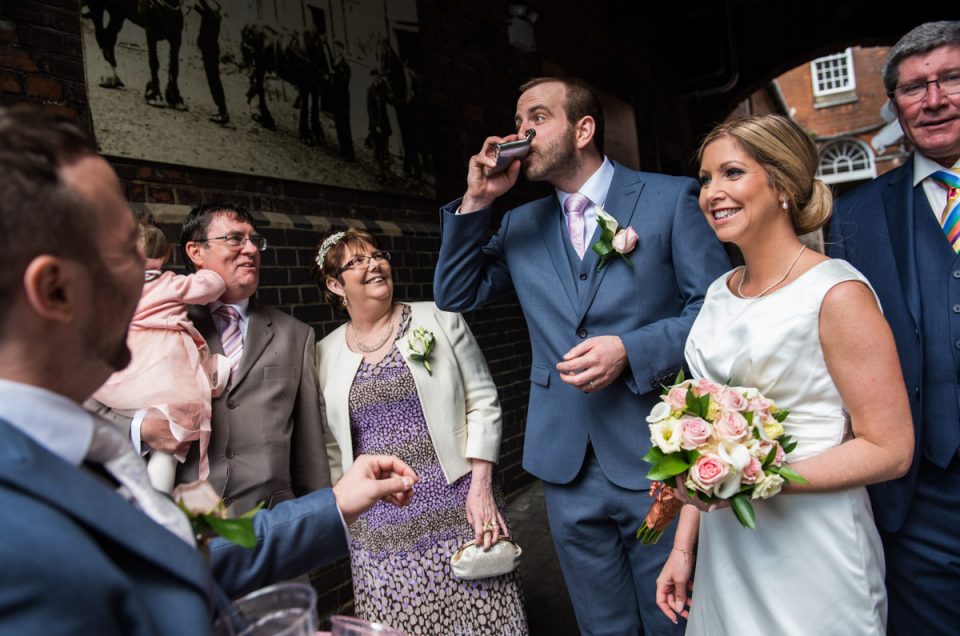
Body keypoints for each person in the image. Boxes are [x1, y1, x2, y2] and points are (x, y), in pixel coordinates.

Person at [0, 104, 418, 633]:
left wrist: (331, 503)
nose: (151, 275)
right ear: (55, 290)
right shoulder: (16, 539)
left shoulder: (73, 448)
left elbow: (177, 561)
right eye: (122, 252)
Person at [433, 76, 729, 635]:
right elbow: (455, 293)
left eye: (537, 118)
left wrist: (632, 348)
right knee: (601, 626)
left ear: (584, 129)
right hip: (563, 462)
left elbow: (715, 311)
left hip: (655, 455)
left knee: (672, 619)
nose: (521, 132)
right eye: (519, 121)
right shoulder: (519, 224)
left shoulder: (669, 200)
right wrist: (477, 200)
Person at [655, 114, 913, 634]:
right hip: (729, 551)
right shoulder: (717, 292)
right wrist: (684, 547)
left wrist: (753, 477)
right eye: (705, 180)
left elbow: (891, 450)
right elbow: (704, 441)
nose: (712, 193)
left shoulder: (836, 294)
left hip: (814, 548)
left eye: (731, 173)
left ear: (783, 186)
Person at [313, 228, 529, 635]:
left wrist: (482, 487)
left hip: (461, 504)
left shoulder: (439, 317)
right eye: (357, 261)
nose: (374, 264)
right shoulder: (323, 354)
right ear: (334, 284)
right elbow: (330, 444)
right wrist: (347, 513)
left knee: (483, 617)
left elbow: (482, 399)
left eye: (377, 255)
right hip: (380, 525)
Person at [827, 20, 960, 635]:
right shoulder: (853, 217)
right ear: (896, 105)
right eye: (914, 88)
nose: (934, 100)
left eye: (951, 79)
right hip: (917, 501)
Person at [92, 217, 229, 492]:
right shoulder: (171, 284)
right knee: (168, 446)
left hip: (129, 366)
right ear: (165, 255)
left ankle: (131, 487)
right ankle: (159, 497)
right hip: (165, 368)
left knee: (145, 423)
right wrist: (205, 271)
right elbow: (213, 285)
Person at [195, 0, 229, 125]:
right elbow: (203, 12)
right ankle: (221, 110)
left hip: (210, 52)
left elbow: (206, 8)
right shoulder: (212, 15)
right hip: (210, 51)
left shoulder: (214, 15)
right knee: (214, 81)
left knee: (214, 81)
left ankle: (223, 112)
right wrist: (194, 7)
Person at [330, 41, 355, 161]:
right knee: (339, 124)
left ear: (342, 50)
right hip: (335, 98)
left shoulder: (345, 65)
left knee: (345, 125)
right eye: (334, 48)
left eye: (337, 49)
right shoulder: (334, 62)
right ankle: (343, 149)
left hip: (343, 98)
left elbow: (345, 81)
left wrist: (334, 75)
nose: (335, 50)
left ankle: (350, 153)